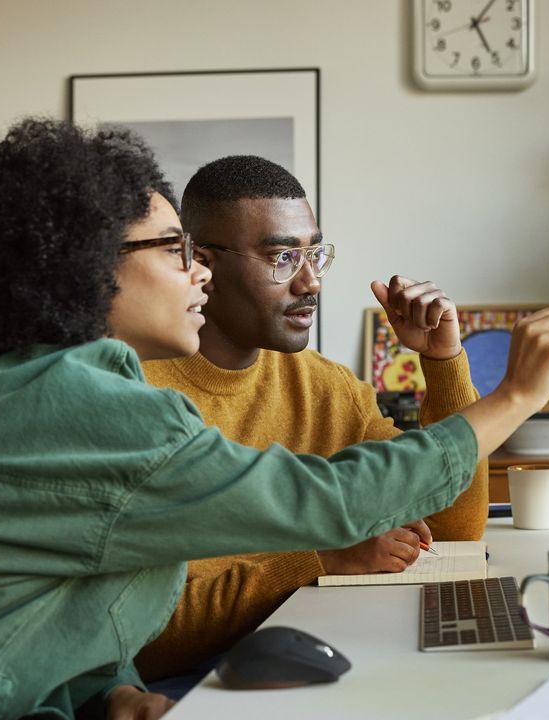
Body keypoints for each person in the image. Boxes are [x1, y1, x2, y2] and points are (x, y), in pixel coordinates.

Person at [0, 119, 549, 720]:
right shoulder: (74, 403)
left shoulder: (31, 389)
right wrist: (515, 394)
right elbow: (332, 504)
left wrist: (111, 692)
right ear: (86, 264)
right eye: (172, 249)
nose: (197, 270)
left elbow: (59, 601)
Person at [134, 156, 489, 681]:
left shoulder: (325, 386)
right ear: (202, 265)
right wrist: (323, 560)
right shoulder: (133, 396)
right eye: (282, 258)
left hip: (308, 643)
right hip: (190, 684)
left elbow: (452, 528)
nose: (311, 284)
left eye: (315, 255)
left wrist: (442, 364)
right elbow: (143, 637)